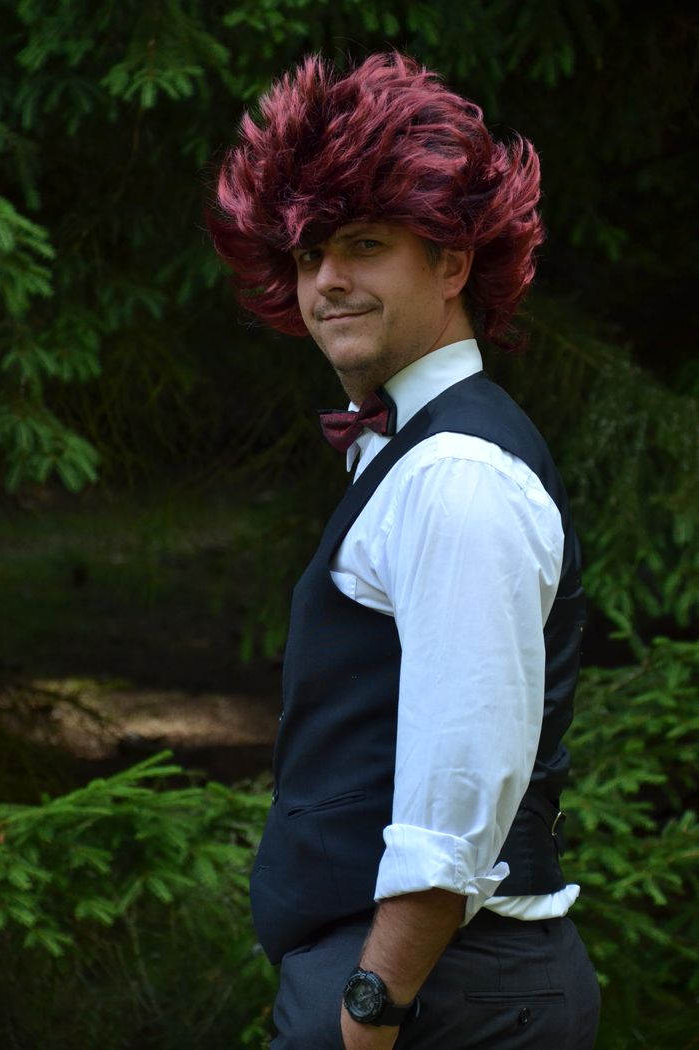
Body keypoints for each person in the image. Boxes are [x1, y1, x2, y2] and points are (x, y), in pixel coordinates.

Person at [210, 52, 601, 1050]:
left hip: (435, 999)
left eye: (365, 244)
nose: (328, 280)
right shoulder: (411, 452)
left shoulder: (456, 474)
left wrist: (369, 1010)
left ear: (453, 262)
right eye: (309, 254)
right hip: (426, 989)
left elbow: (458, 784)